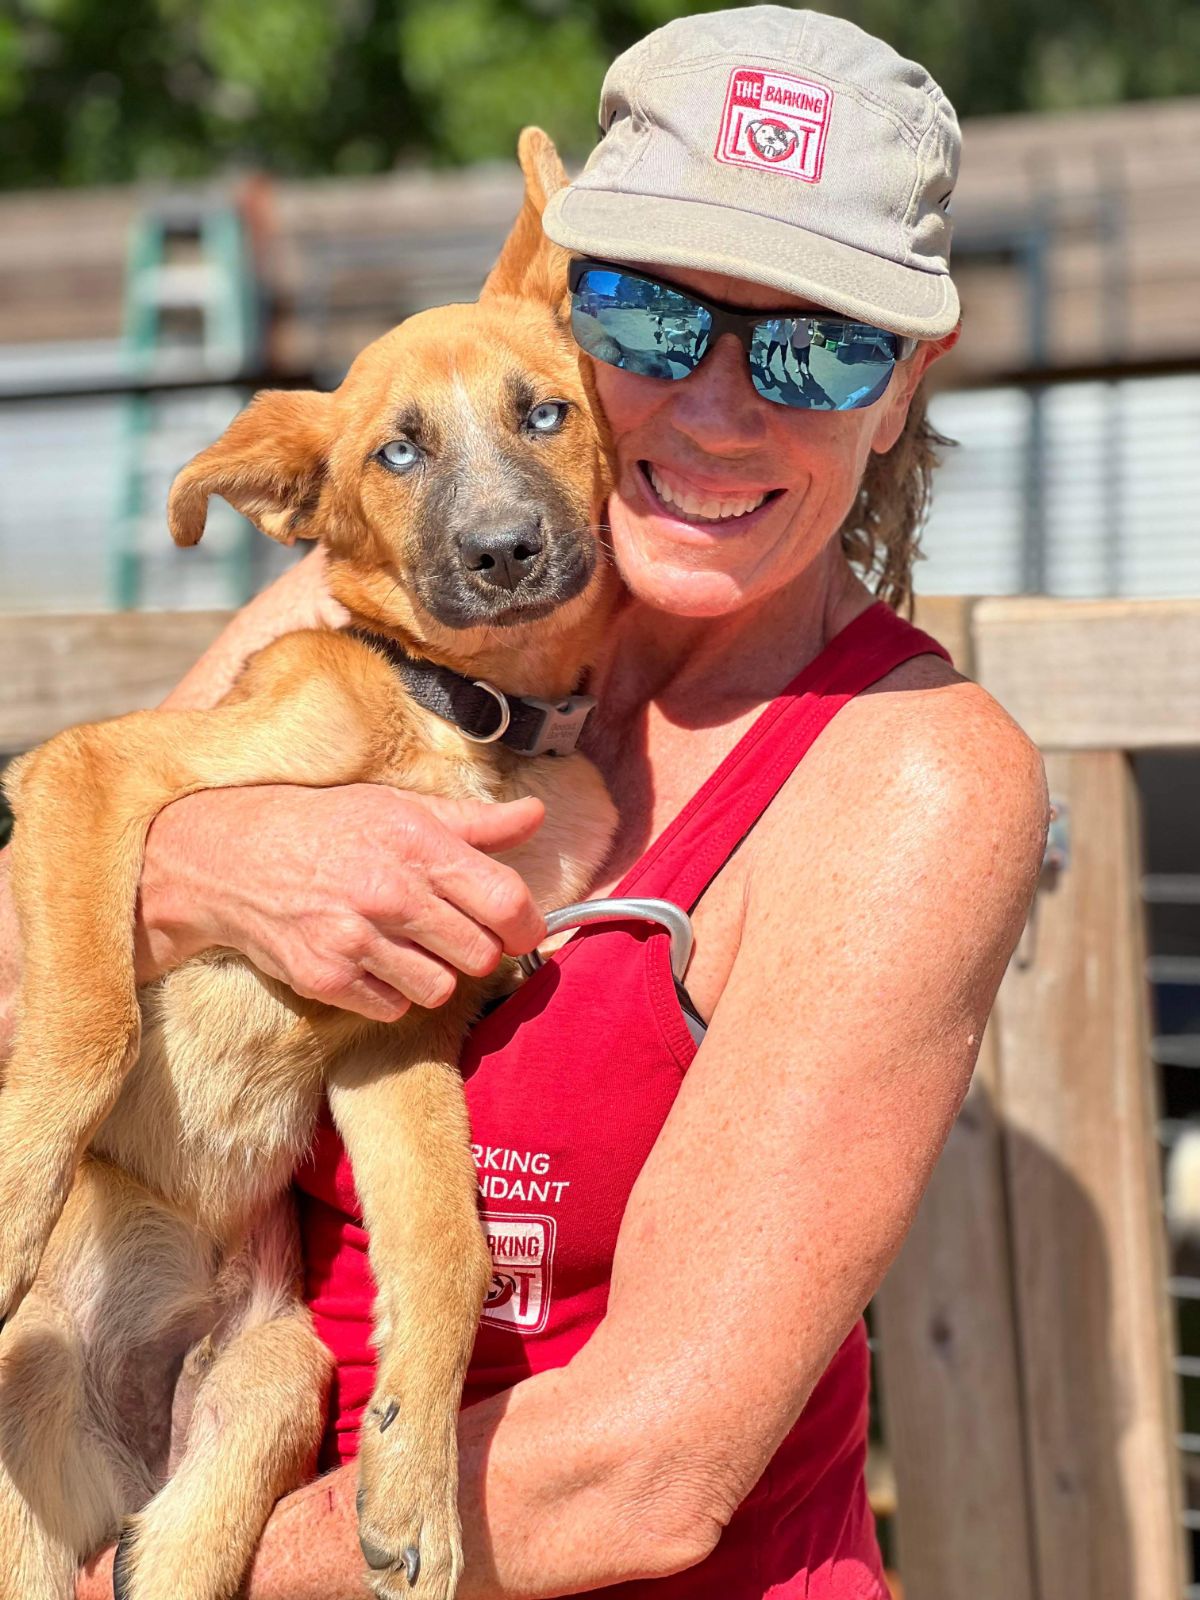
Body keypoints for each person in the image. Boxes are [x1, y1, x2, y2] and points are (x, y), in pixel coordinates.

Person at [0, 8, 1048, 1598]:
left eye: (816, 345)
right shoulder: (387, 621)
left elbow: (638, 1479)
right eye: (652, 318)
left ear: (901, 385)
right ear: (568, 307)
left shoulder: (906, 781)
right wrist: (199, 868)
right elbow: (41, 942)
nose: (716, 407)